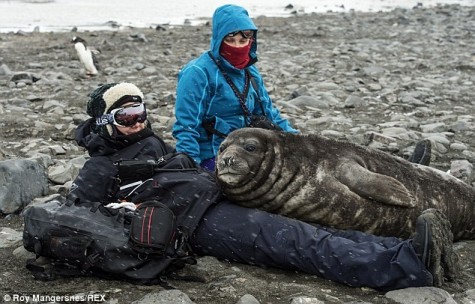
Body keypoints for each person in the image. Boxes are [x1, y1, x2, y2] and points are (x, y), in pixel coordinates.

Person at [69, 82, 457, 291]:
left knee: (314, 229)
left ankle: (404, 249)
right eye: (127, 115)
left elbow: (183, 165)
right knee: (292, 242)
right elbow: (88, 216)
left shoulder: (149, 142)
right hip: (190, 222)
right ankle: (405, 268)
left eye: (141, 113)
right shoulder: (99, 168)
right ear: (105, 120)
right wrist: (129, 211)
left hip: (209, 195)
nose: (138, 122)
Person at [172, 4, 298, 171]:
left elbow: (269, 113)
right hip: (214, 154)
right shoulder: (197, 73)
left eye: (243, 40)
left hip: (250, 149)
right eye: (230, 40)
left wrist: (299, 141)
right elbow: (186, 128)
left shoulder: (250, 71)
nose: (237, 47)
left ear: (251, 41)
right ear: (218, 39)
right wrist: (192, 170)